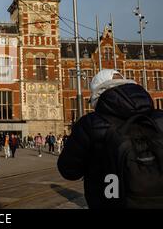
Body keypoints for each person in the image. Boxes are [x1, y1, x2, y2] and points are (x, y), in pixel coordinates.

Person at [58, 69, 163, 208]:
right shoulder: (159, 117)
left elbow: (68, 170)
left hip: (111, 201)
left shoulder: (90, 123)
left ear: (97, 94)